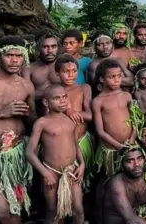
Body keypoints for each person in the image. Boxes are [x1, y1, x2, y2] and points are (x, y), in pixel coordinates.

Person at [0, 36, 36, 221]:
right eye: (9, 55)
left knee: (16, 212)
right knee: (2, 212)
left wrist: (27, 114)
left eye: (19, 56)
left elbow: (31, 120)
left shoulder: (25, 85)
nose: (14, 60)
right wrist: (1, 113)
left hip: (15, 156)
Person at [26, 85, 85, 224]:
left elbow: (75, 145)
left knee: (79, 209)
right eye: (57, 98)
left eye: (64, 97)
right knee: (53, 211)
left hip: (71, 171)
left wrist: (82, 163)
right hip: (51, 172)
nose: (62, 101)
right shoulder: (42, 123)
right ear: (46, 102)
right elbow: (29, 152)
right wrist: (45, 173)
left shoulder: (71, 120)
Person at [55, 55, 94, 192]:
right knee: (63, 184)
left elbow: (89, 115)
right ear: (57, 73)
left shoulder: (84, 88)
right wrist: (68, 110)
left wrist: (73, 112)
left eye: (74, 71)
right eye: (66, 71)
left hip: (81, 141)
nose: (71, 75)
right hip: (61, 144)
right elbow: (50, 118)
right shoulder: (53, 91)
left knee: (83, 182)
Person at [92, 59, 137, 177]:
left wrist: (131, 140)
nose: (117, 80)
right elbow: (100, 131)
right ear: (102, 79)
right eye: (112, 77)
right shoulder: (98, 101)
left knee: (132, 176)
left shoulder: (127, 96)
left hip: (130, 144)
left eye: (119, 76)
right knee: (110, 178)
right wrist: (119, 146)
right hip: (111, 149)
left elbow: (136, 121)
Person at [26, 34, 59, 116]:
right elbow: (26, 94)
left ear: (58, 48)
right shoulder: (28, 68)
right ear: (39, 48)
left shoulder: (64, 66)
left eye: (53, 46)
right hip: (37, 112)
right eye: (45, 47)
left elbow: (71, 89)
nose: (50, 50)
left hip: (61, 113)